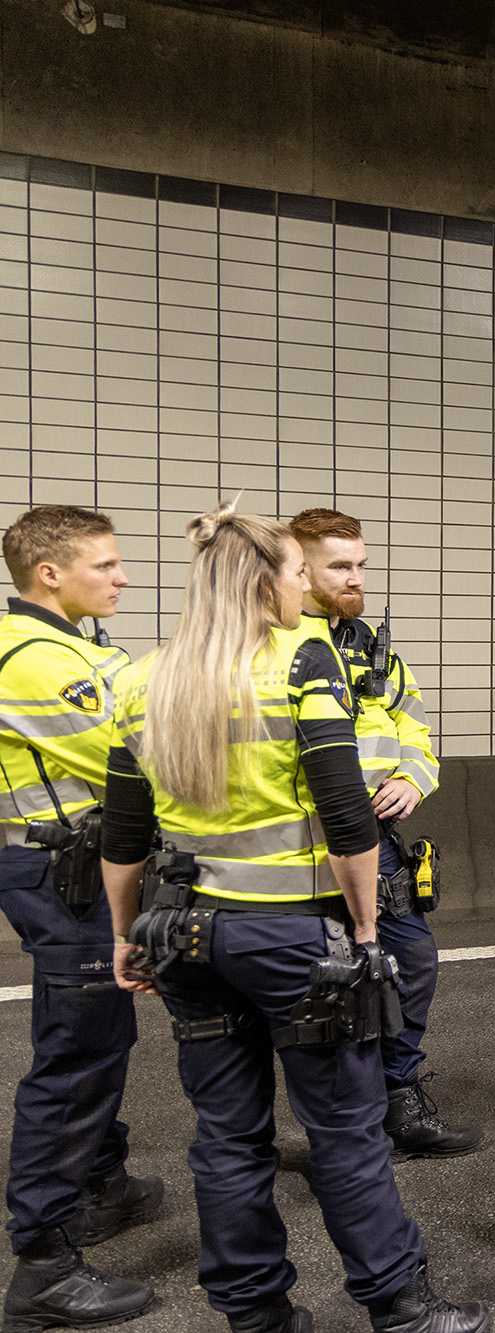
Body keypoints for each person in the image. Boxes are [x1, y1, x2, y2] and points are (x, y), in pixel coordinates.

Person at [102, 503, 487, 1333]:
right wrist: (368, 930)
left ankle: (256, 1316)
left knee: (228, 1138)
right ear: (267, 581)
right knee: (345, 1132)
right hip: (293, 939)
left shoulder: (140, 678)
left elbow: (124, 833)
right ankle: (402, 1307)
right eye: (291, 573)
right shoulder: (300, 659)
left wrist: (123, 933)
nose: (302, 586)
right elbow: (346, 816)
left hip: (184, 937)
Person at [0, 506, 158, 1332]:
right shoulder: (34, 657)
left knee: (99, 1026)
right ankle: (44, 1265)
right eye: (106, 563)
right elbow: (131, 751)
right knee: (79, 1047)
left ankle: (102, 1183)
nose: (122, 575)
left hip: (69, 860)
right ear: (50, 572)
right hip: (62, 867)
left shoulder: (77, 645)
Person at [290, 509, 481, 1162]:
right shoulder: (272, 646)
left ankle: (399, 1099)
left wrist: (411, 777)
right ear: (300, 567)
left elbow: (416, 725)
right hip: (299, 848)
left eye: (361, 563)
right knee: (320, 989)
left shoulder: (372, 645)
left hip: (378, 840)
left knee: (413, 962)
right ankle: (335, 1135)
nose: (356, 576)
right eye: (340, 565)